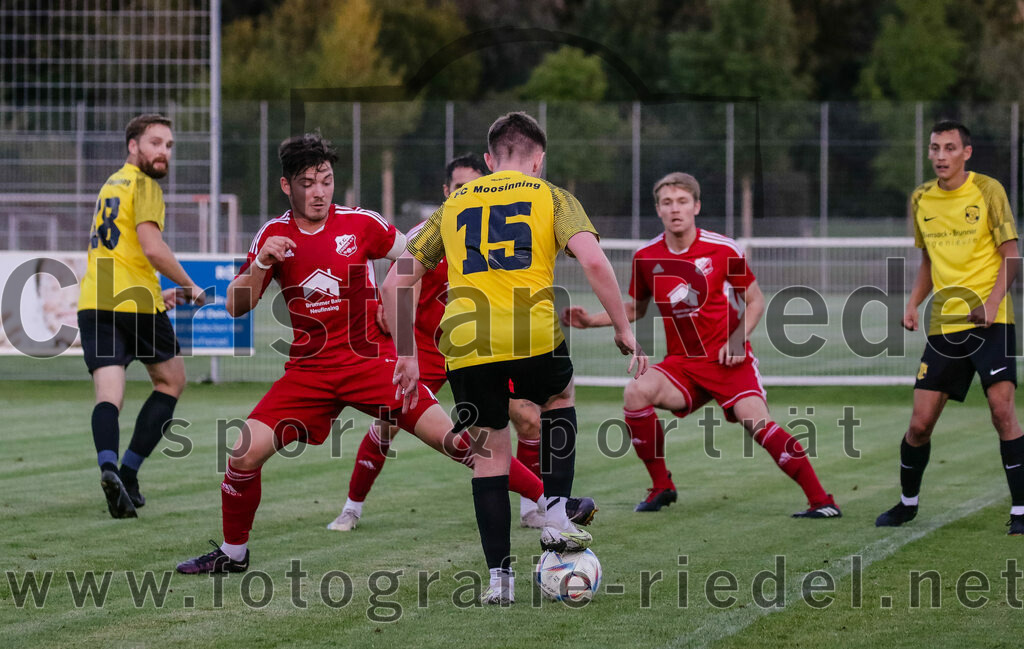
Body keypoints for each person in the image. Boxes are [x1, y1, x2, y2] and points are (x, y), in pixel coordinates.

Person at [174, 133, 562, 574]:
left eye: (326, 181)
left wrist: (399, 299)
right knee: (243, 454)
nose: (319, 192)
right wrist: (262, 262)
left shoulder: (362, 224)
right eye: (307, 183)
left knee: (458, 442)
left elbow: (419, 257)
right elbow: (234, 305)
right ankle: (233, 554)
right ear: (286, 186)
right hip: (309, 372)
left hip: (373, 363)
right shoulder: (273, 235)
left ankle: (552, 503)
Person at [385, 112, 647, 604]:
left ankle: (499, 582)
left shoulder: (453, 203)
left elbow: (394, 280)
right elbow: (593, 260)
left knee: (489, 456)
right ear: (538, 159)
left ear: (489, 160)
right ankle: (557, 516)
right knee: (558, 396)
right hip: (532, 334)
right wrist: (622, 327)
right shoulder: (552, 197)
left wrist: (406, 353)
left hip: (465, 342)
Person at [562, 172, 840, 518]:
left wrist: (737, 340)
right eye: (667, 203)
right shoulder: (646, 256)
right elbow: (635, 309)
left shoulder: (724, 249)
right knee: (635, 392)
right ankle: (661, 486)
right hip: (683, 364)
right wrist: (590, 320)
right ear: (658, 210)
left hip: (728, 360)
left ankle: (822, 502)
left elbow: (755, 301)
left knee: (759, 425)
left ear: (696, 206)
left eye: (682, 201)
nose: (674, 209)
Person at [328, 153, 560, 532]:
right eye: (458, 186)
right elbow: (401, 287)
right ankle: (351, 508)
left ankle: (532, 508)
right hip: (426, 348)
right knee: (387, 423)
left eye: (473, 185)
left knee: (528, 419)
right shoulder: (427, 233)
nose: (465, 191)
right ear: (446, 190)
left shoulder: (498, 231)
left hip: (479, 348)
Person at [875, 120, 1023, 535]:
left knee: (1002, 412)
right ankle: (907, 505)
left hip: (992, 322)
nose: (941, 156)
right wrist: (913, 303)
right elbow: (928, 259)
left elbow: (1012, 255)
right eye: (935, 148)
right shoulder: (921, 198)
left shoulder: (989, 190)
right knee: (919, 424)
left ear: (966, 153)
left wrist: (992, 303)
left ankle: (1021, 510)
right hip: (944, 325)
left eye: (950, 148)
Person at [77, 113, 206, 519]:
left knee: (108, 396)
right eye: (155, 143)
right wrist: (191, 285)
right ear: (133, 146)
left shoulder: (111, 184)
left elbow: (123, 250)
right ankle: (129, 473)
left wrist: (159, 292)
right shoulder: (145, 184)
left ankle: (108, 466)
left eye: (168, 145)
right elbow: (152, 248)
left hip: (94, 301)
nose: (163, 152)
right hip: (135, 303)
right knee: (171, 381)